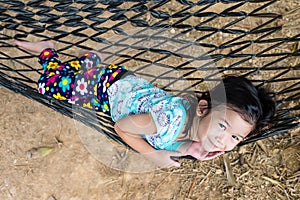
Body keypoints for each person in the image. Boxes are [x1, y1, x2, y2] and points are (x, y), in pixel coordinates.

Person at [13, 40, 276, 168]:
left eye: (236, 137)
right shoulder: (167, 120)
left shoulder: (193, 132)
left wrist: (191, 150)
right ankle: (47, 51)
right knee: (49, 85)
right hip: (103, 89)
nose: (224, 140)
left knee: (72, 80)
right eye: (222, 125)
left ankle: (90, 59)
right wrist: (152, 155)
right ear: (203, 108)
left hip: (123, 86)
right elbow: (122, 128)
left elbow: (179, 139)